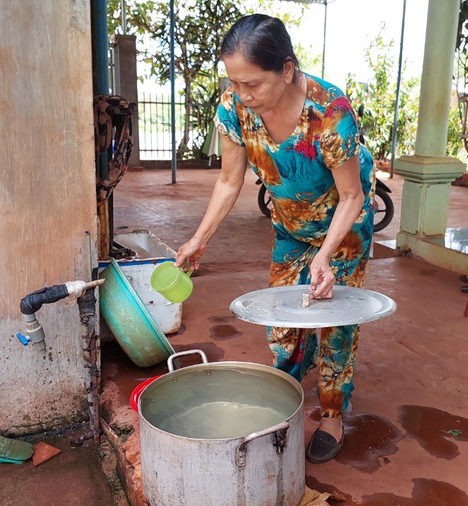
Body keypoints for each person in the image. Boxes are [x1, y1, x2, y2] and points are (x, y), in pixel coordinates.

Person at [174, 13, 375, 464]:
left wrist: (324, 257)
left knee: (335, 326)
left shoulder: (330, 112)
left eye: (254, 84)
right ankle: (283, 398)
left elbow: (352, 194)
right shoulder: (234, 106)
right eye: (235, 83)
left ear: (287, 69)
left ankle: (331, 415)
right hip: (289, 226)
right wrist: (198, 239)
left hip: (342, 229)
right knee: (282, 326)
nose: (243, 95)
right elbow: (229, 182)